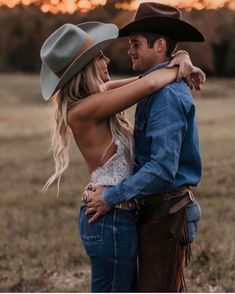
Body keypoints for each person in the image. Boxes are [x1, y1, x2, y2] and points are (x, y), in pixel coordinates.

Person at [40, 21, 204, 292]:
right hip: (109, 217)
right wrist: (178, 64)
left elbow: (145, 79)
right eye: (99, 56)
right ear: (87, 67)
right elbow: (151, 83)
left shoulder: (99, 96)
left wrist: (180, 58)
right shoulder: (84, 109)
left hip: (118, 217)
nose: (107, 60)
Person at [86, 2, 205, 292]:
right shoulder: (153, 86)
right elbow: (129, 85)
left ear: (160, 44)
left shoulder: (165, 96)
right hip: (157, 211)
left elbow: (162, 168)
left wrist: (112, 196)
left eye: (135, 44)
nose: (130, 51)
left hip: (167, 213)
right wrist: (181, 59)